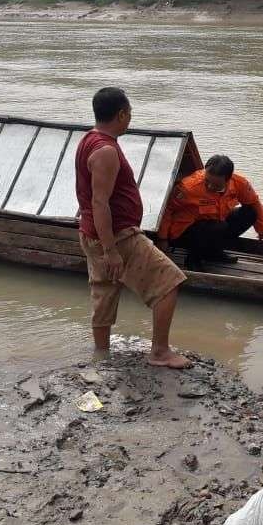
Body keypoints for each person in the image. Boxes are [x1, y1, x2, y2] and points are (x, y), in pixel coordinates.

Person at [75, 87, 191, 369]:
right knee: (169, 282)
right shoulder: (105, 150)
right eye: (130, 114)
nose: (130, 119)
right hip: (117, 235)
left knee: (104, 291)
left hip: (92, 232)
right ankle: (160, 352)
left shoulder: (88, 140)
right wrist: (111, 249)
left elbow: (89, 193)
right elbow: (100, 202)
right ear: (121, 114)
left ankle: (101, 355)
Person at [156, 154, 263, 271]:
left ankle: (214, 252)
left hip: (215, 226)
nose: (210, 186)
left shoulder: (239, 183)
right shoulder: (188, 187)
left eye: (216, 185)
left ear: (228, 179)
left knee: (250, 213)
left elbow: (254, 202)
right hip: (184, 232)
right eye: (207, 181)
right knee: (217, 227)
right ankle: (193, 260)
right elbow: (167, 210)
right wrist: (162, 239)